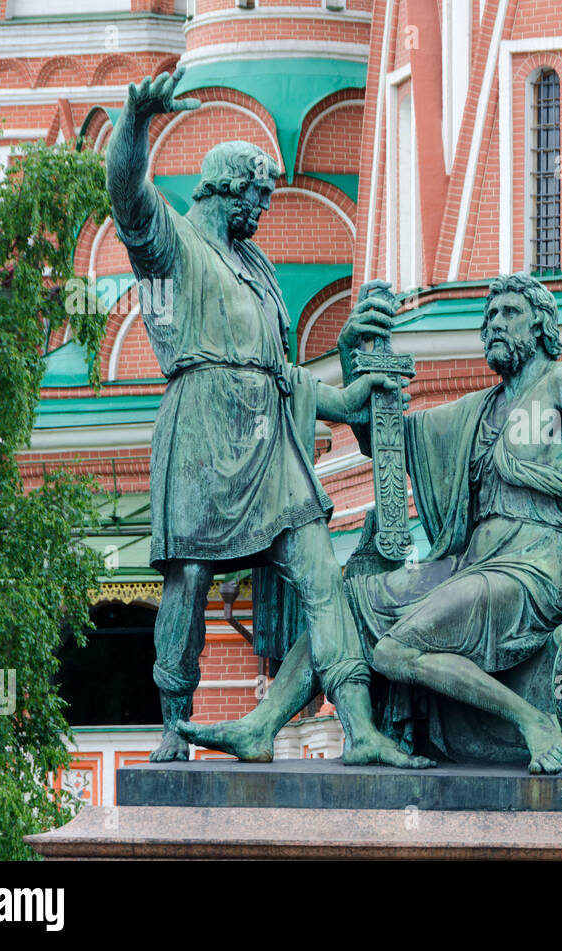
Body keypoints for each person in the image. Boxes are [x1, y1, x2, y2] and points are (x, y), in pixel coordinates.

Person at [181, 273, 562, 773]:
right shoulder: (481, 409)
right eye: (488, 318)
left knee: (396, 650)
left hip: (536, 571)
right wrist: (355, 358)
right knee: (347, 601)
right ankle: (262, 726)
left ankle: (533, 721)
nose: (495, 325)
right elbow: (386, 438)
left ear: (541, 325)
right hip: (474, 563)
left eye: (509, 313)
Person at [106, 66, 429, 767]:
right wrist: (136, 126)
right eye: (259, 196)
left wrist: (357, 393)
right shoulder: (172, 244)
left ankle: (359, 727)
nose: (264, 210)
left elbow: (285, 377)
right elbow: (127, 197)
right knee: (189, 581)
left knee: (321, 575)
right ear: (227, 189)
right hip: (201, 428)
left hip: (269, 440)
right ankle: (174, 723)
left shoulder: (256, 266)